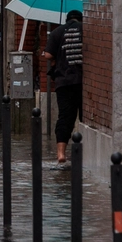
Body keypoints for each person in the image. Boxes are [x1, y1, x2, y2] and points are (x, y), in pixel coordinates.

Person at [43, 9, 85, 165]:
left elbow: (48, 55)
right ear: (80, 19)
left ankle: (61, 153)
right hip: (82, 81)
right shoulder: (84, 30)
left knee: (65, 117)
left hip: (64, 81)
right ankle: (83, 149)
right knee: (84, 117)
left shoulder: (57, 32)